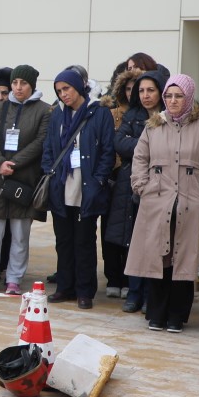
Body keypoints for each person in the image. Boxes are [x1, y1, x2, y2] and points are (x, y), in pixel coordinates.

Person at [127, 74, 199, 332]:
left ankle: (177, 316)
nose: (172, 101)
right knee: (159, 257)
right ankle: (156, 314)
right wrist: (142, 187)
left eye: (178, 96)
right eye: (168, 96)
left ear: (188, 97)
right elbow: (140, 159)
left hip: (190, 202)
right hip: (157, 201)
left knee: (184, 259)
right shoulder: (153, 125)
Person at [40, 68, 114, 305]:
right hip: (61, 186)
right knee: (63, 241)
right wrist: (50, 173)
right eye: (59, 91)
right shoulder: (57, 114)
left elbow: (107, 151)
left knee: (84, 242)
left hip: (86, 187)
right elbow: (49, 148)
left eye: (67, 88)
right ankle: (65, 287)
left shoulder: (99, 113)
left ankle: (84, 291)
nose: (63, 94)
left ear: (79, 87)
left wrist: (98, 180)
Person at [0, 65, 48, 294]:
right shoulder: (0, 107)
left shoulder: (44, 110)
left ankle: (14, 278)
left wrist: (14, 163)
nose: (18, 87)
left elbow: (40, 141)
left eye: (23, 83)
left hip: (24, 179)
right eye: (15, 83)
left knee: (20, 233)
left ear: (32, 85)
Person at [109, 69, 166, 313]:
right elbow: (119, 143)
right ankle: (134, 292)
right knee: (134, 240)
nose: (145, 95)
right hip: (132, 184)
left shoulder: (170, 116)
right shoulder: (132, 115)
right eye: (141, 91)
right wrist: (151, 145)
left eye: (150, 90)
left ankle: (148, 295)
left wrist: (142, 146)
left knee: (156, 242)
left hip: (163, 185)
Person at [99, 67, 140, 299]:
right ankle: (113, 276)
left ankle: (127, 279)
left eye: (136, 88)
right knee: (110, 230)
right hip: (112, 177)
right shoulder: (112, 113)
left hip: (135, 177)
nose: (132, 92)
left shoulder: (146, 115)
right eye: (128, 88)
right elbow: (111, 144)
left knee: (132, 232)